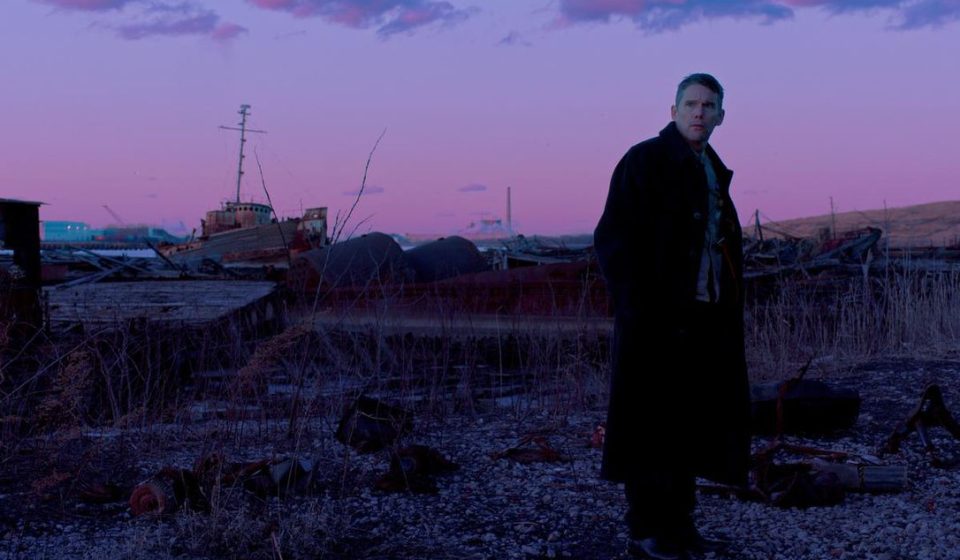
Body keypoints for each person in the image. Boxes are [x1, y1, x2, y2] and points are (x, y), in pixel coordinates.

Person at [593, 73, 752, 560]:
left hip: (704, 321)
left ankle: (680, 527)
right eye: (690, 104)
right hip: (655, 324)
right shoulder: (645, 160)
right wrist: (637, 310)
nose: (699, 112)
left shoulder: (712, 170)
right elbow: (612, 239)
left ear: (721, 115)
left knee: (688, 426)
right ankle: (646, 531)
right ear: (673, 111)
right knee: (649, 426)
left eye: (708, 105)